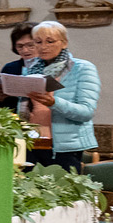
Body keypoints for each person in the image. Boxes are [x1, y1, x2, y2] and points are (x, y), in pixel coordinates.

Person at [23, 21, 99, 172]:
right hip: (32, 144)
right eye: (38, 42)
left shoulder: (82, 68)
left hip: (64, 148)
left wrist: (54, 102)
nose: (43, 46)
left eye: (50, 41)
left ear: (64, 43)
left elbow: (86, 112)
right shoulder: (30, 69)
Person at [0, 22, 37, 110]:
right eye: (20, 46)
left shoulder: (50, 67)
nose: (25, 50)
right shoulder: (10, 68)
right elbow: (1, 106)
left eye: (30, 45)